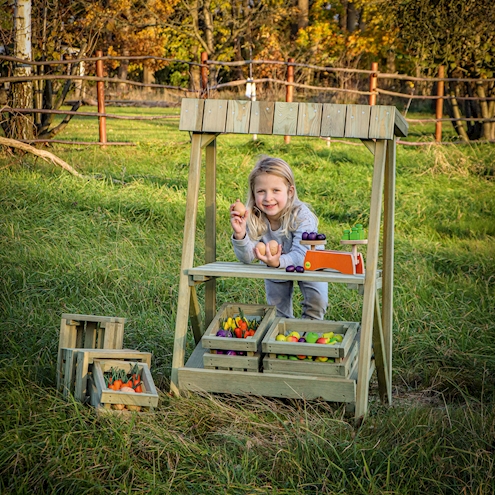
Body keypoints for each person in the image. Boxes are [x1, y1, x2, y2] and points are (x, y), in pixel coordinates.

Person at [230, 155, 328, 320]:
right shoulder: (255, 216)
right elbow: (247, 257)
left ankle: (309, 337)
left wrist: (277, 262)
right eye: (261, 191)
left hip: (311, 264)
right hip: (274, 265)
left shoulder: (302, 215)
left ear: (289, 192)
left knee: (316, 303)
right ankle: (281, 339)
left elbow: (302, 256)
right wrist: (240, 234)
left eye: (276, 190)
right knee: (277, 310)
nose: (268, 198)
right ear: (254, 193)